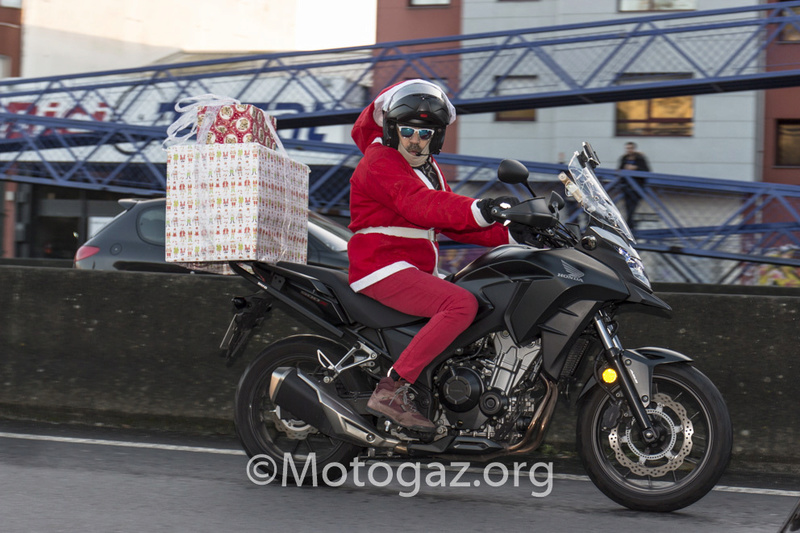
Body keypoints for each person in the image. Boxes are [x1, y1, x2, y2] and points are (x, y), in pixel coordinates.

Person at [348, 79, 518, 434]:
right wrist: (480, 207)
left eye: (424, 133)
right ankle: (391, 389)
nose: (415, 139)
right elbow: (420, 205)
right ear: (392, 129)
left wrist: (515, 233)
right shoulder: (380, 160)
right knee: (460, 306)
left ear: (436, 137)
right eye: (407, 130)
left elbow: (454, 223)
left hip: (413, 267)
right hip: (382, 266)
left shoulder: (427, 169)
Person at [617, 141, 650, 230]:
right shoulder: (624, 158)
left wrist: (636, 168)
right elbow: (619, 170)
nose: (629, 150)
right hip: (626, 187)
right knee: (628, 207)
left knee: (632, 207)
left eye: (630, 148)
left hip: (637, 188)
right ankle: (630, 225)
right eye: (627, 148)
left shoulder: (640, 158)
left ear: (634, 149)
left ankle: (629, 225)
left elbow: (647, 170)